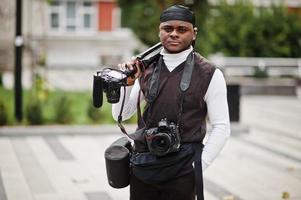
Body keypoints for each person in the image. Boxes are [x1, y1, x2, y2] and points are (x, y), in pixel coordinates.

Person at [112, 4, 230, 200]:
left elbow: (222, 127)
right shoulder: (146, 68)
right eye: (168, 29)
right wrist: (126, 84)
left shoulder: (209, 73)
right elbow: (121, 116)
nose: (174, 34)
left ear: (194, 33)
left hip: (183, 169)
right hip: (143, 167)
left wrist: (199, 165)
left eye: (182, 29)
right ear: (159, 32)